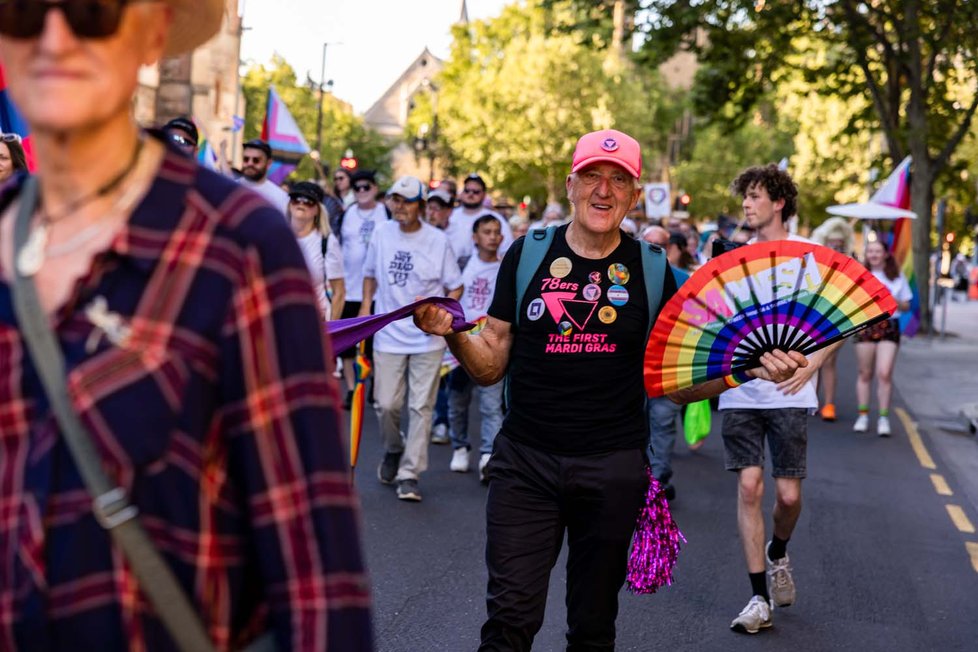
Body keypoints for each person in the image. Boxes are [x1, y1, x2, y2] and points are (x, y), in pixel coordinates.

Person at [0, 1, 372, 649]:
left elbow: (316, 573)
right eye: (25, 10)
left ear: (151, 31)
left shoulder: (239, 246)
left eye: (90, 11)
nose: (54, 38)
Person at [414, 131, 806, 650]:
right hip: (525, 464)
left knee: (593, 626)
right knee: (509, 619)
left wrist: (747, 369)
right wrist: (455, 336)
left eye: (619, 180)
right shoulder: (526, 255)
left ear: (634, 195)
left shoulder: (650, 270)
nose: (605, 190)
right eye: (593, 177)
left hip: (611, 468)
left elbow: (680, 386)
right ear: (572, 185)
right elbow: (490, 367)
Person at [719, 164, 841, 635]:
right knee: (749, 486)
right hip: (742, 391)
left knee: (788, 496)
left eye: (754, 196)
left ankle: (777, 551)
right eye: (744, 197)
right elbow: (718, 321)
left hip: (791, 389)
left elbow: (844, 318)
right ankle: (757, 597)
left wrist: (813, 364)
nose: (747, 205)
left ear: (779, 202)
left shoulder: (812, 256)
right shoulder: (733, 258)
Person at [361, 176, 463, 502]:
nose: (399, 206)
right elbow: (369, 277)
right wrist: (365, 318)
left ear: (421, 204)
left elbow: (455, 285)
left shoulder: (437, 240)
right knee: (386, 403)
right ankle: (394, 448)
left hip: (426, 338)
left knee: (421, 407)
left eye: (406, 200)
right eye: (395, 199)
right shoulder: (381, 232)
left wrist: (442, 315)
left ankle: (409, 473)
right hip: (388, 333)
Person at [448, 214, 505, 481]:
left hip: (491, 345)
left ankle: (487, 456)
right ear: (475, 237)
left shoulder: (507, 266)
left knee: (491, 405)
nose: (492, 237)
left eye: (496, 232)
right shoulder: (461, 265)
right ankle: (460, 446)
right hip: (461, 344)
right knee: (458, 401)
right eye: (486, 232)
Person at [338, 169, 387, 408]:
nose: (361, 192)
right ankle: (350, 388)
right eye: (357, 188)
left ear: (375, 189)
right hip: (349, 288)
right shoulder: (348, 214)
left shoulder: (384, 213)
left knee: (376, 343)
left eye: (366, 187)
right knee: (346, 346)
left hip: (378, 292)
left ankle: (376, 386)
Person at [853, 239, 912, 436]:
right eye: (870, 251)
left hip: (889, 325)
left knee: (884, 373)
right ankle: (863, 415)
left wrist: (891, 299)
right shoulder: (860, 275)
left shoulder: (896, 276)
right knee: (865, 373)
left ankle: (884, 418)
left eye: (878, 251)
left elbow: (906, 305)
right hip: (866, 325)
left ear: (886, 254)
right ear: (866, 254)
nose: (874, 254)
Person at [811, 216, 856, 421]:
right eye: (833, 244)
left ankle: (828, 404)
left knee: (829, 360)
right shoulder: (815, 262)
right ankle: (812, 400)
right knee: (812, 360)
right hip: (814, 315)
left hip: (837, 316)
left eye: (840, 245)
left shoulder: (850, 264)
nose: (836, 248)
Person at [287, 180, 345, 321]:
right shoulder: (277, 237)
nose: (301, 204)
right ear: (289, 205)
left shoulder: (327, 242)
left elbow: (339, 292)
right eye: (296, 199)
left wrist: (332, 332)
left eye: (308, 201)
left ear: (317, 209)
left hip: (314, 324)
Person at [446, 173, 514, 268]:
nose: (470, 194)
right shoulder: (449, 215)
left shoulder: (496, 219)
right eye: (467, 190)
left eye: (476, 191)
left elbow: (507, 251)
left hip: (484, 276)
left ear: (484, 194)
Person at [237, 138, 289, 215]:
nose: (250, 163)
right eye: (246, 159)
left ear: (268, 164)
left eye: (256, 160)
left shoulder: (280, 198)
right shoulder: (230, 189)